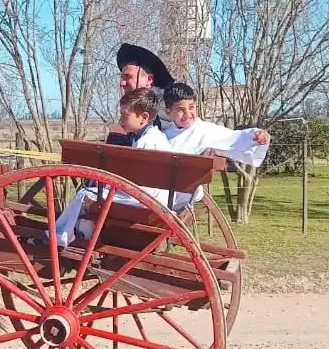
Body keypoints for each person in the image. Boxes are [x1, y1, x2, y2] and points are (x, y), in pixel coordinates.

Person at [49, 88, 170, 246]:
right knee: (91, 191)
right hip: (149, 198)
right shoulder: (150, 137)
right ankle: (80, 233)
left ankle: (61, 236)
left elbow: (138, 185)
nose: (120, 121)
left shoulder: (146, 142)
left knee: (85, 194)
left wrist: (107, 183)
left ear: (144, 117)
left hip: (143, 200)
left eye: (125, 115)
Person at [161, 82, 271, 209]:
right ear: (168, 111)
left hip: (182, 198)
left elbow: (233, 138)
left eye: (191, 107)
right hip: (159, 197)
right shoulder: (163, 135)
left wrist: (255, 136)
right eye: (180, 110)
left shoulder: (205, 131)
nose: (188, 114)